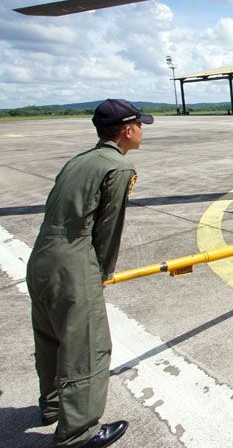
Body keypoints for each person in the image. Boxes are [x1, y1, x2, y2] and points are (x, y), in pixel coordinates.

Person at [27, 99, 153, 447]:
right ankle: (79, 433)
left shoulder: (80, 160)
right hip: (73, 262)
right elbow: (108, 229)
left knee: (50, 337)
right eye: (140, 125)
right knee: (87, 346)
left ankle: (52, 406)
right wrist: (100, 273)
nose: (142, 130)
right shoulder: (117, 167)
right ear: (128, 130)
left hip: (41, 256)